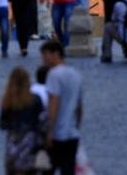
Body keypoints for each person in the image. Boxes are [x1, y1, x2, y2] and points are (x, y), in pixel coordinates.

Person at [41, 41, 83, 175]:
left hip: (57, 135)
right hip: (72, 134)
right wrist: (77, 127)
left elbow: (54, 103)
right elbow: (79, 107)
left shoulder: (54, 75)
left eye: (45, 55)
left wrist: (49, 131)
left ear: (56, 54)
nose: (43, 59)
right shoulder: (76, 74)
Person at [0, 66, 46, 175]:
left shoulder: (8, 100)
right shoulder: (35, 99)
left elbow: (2, 124)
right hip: (30, 144)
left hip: (13, 144)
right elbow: (43, 122)